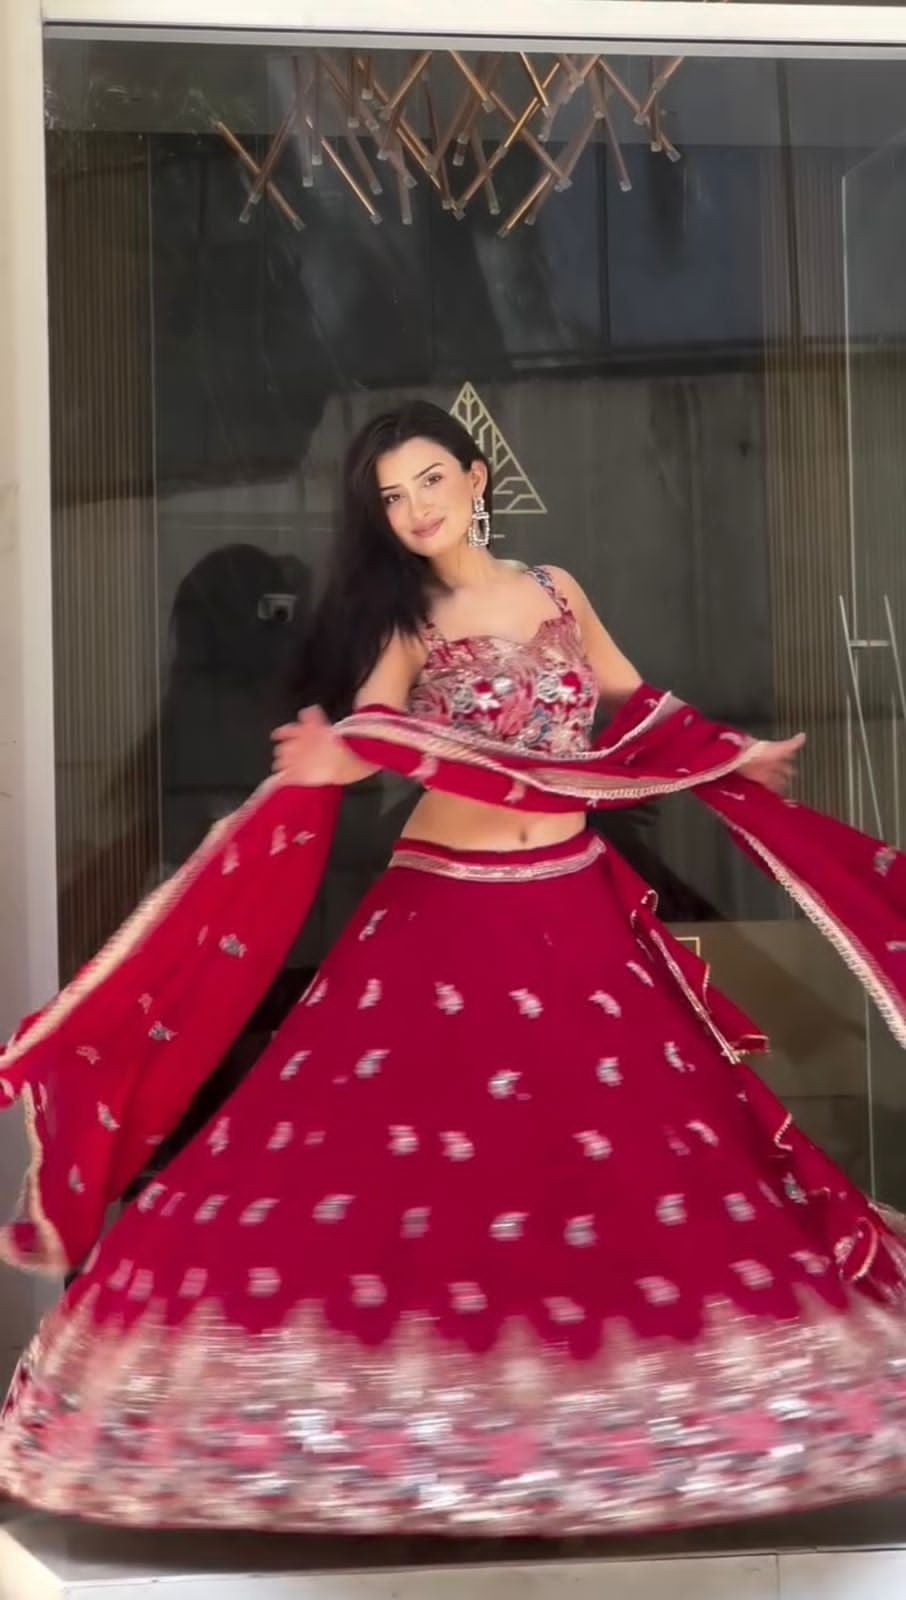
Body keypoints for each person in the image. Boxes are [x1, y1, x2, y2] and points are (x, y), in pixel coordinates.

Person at [2, 400, 906, 1536]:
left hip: (569, 904)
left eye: (431, 480)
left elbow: (638, 711)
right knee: (376, 1162)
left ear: (478, 478)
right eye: (393, 497)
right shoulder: (410, 619)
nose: (416, 509)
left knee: (620, 1160)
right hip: (444, 909)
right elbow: (381, 735)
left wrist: (735, 755)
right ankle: (350, 1429)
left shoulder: (558, 592)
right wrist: (334, 756)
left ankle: (596, 1427)